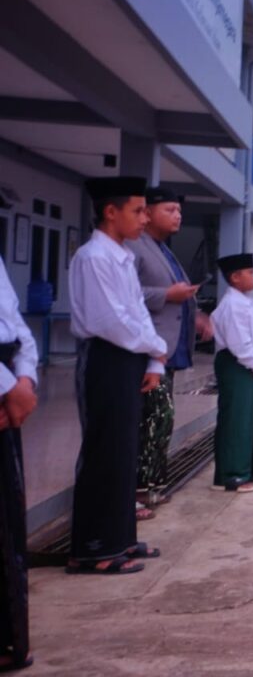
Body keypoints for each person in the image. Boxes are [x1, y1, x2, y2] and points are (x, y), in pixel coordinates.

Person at [66, 177, 167, 575]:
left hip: (130, 356)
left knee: (125, 451)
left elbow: (137, 312)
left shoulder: (121, 256)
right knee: (103, 451)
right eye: (138, 211)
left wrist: (155, 359)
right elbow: (110, 321)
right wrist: (156, 347)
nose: (144, 219)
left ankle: (119, 537)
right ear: (111, 212)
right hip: (106, 357)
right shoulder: (93, 257)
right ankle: (93, 548)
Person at [127, 187, 210, 516]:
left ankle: (151, 484)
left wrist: (196, 313)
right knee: (151, 418)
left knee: (160, 418)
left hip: (167, 349)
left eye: (179, 211)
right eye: (170, 210)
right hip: (147, 349)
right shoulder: (134, 247)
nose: (178, 216)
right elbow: (127, 293)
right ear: (147, 213)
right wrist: (167, 295)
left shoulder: (162, 249)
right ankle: (138, 488)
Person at [0, 255, 38, 670]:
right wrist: (8, 385)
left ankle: (9, 637)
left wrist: (24, 379)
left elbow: (14, 323)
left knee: (8, 520)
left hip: (10, 382)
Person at [210, 253, 253, 493]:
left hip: (246, 363)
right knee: (235, 420)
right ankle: (231, 475)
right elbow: (239, 343)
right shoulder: (232, 305)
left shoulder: (245, 302)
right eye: (250, 273)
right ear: (235, 277)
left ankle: (246, 470)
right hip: (235, 363)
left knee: (246, 419)